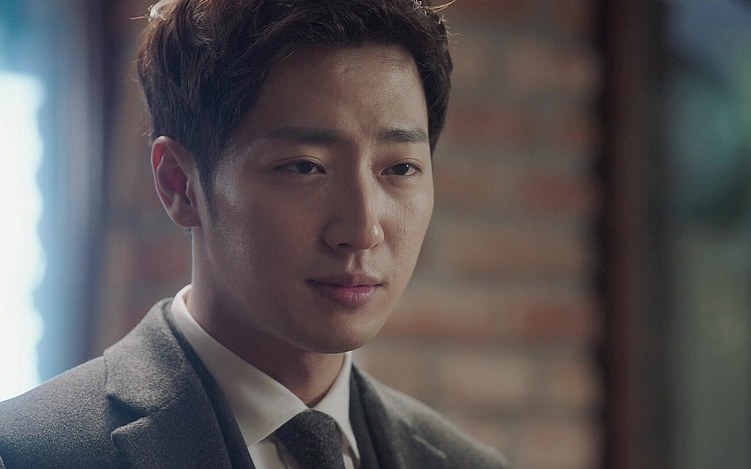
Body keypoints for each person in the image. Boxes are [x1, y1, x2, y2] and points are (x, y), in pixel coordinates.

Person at [0, 0, 509, 468]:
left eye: (399, 168)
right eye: (305, 167)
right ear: (179, 184)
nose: (362, 230)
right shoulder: (30, 453)